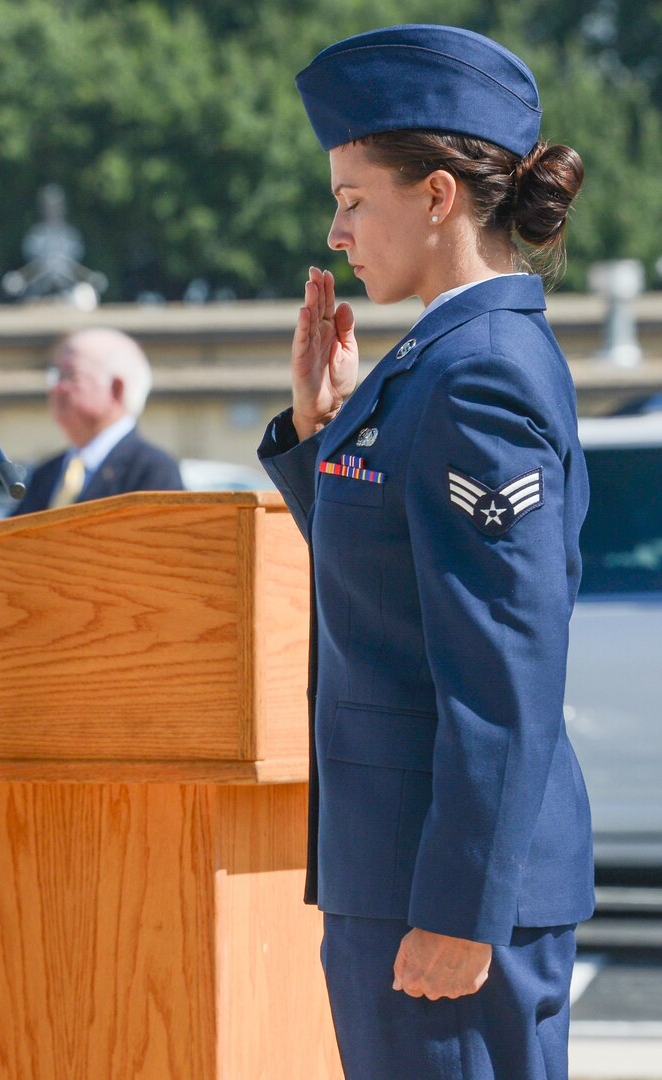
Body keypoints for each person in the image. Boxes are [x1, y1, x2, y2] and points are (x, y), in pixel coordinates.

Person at [257, 25, 593, 1080]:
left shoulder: (479, 375)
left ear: (438, 195)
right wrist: (324, 439)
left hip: (442, 900)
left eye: (356, 196)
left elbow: (502, 671)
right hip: (403, 880)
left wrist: (458, 909)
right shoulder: (441, 362)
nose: (337, 226)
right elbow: (394, 595)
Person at [12, 327, 183, 515]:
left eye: (70, 375)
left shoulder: (151, 470)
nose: (56, 388)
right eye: (55, 375)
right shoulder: (47, 473)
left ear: (116, 390)